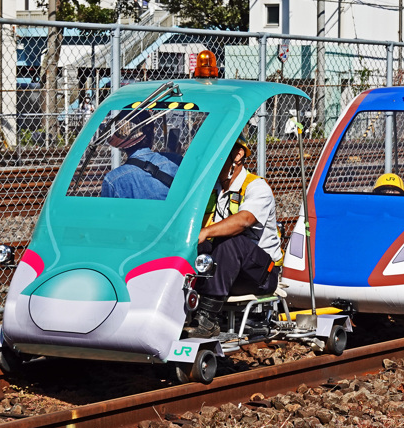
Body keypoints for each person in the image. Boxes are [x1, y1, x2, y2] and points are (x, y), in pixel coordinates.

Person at [186, 138, 282, 337]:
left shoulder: (257, 187)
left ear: (238, 155)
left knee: (228, 240)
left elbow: (244, 220)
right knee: (195, 247)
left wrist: (206, 232)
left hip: (259, 274)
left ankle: (207, 321)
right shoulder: (212, 190)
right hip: (224, 270)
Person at [99, 111, 179, 201]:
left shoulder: (112, 180)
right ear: (152, 133)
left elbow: (108, 214)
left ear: (122, 145)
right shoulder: (176, 162)